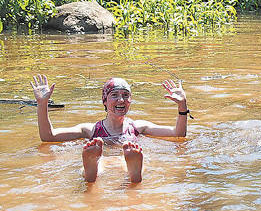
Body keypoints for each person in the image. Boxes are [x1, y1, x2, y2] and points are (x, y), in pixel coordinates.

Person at [30, 74, 191, 184]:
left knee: (127, 159)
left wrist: (182, 105)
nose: (121, 99)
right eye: (114, 95)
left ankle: (134, 171)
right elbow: (48, 136)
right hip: (104, 157)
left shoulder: (138, 127)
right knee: (102, 162)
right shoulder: (91, 130)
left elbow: (178, 134)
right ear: (105, 101)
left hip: (124, 158)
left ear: (130, 101)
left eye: (126, 95)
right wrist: (42, 103)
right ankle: (92, 169)